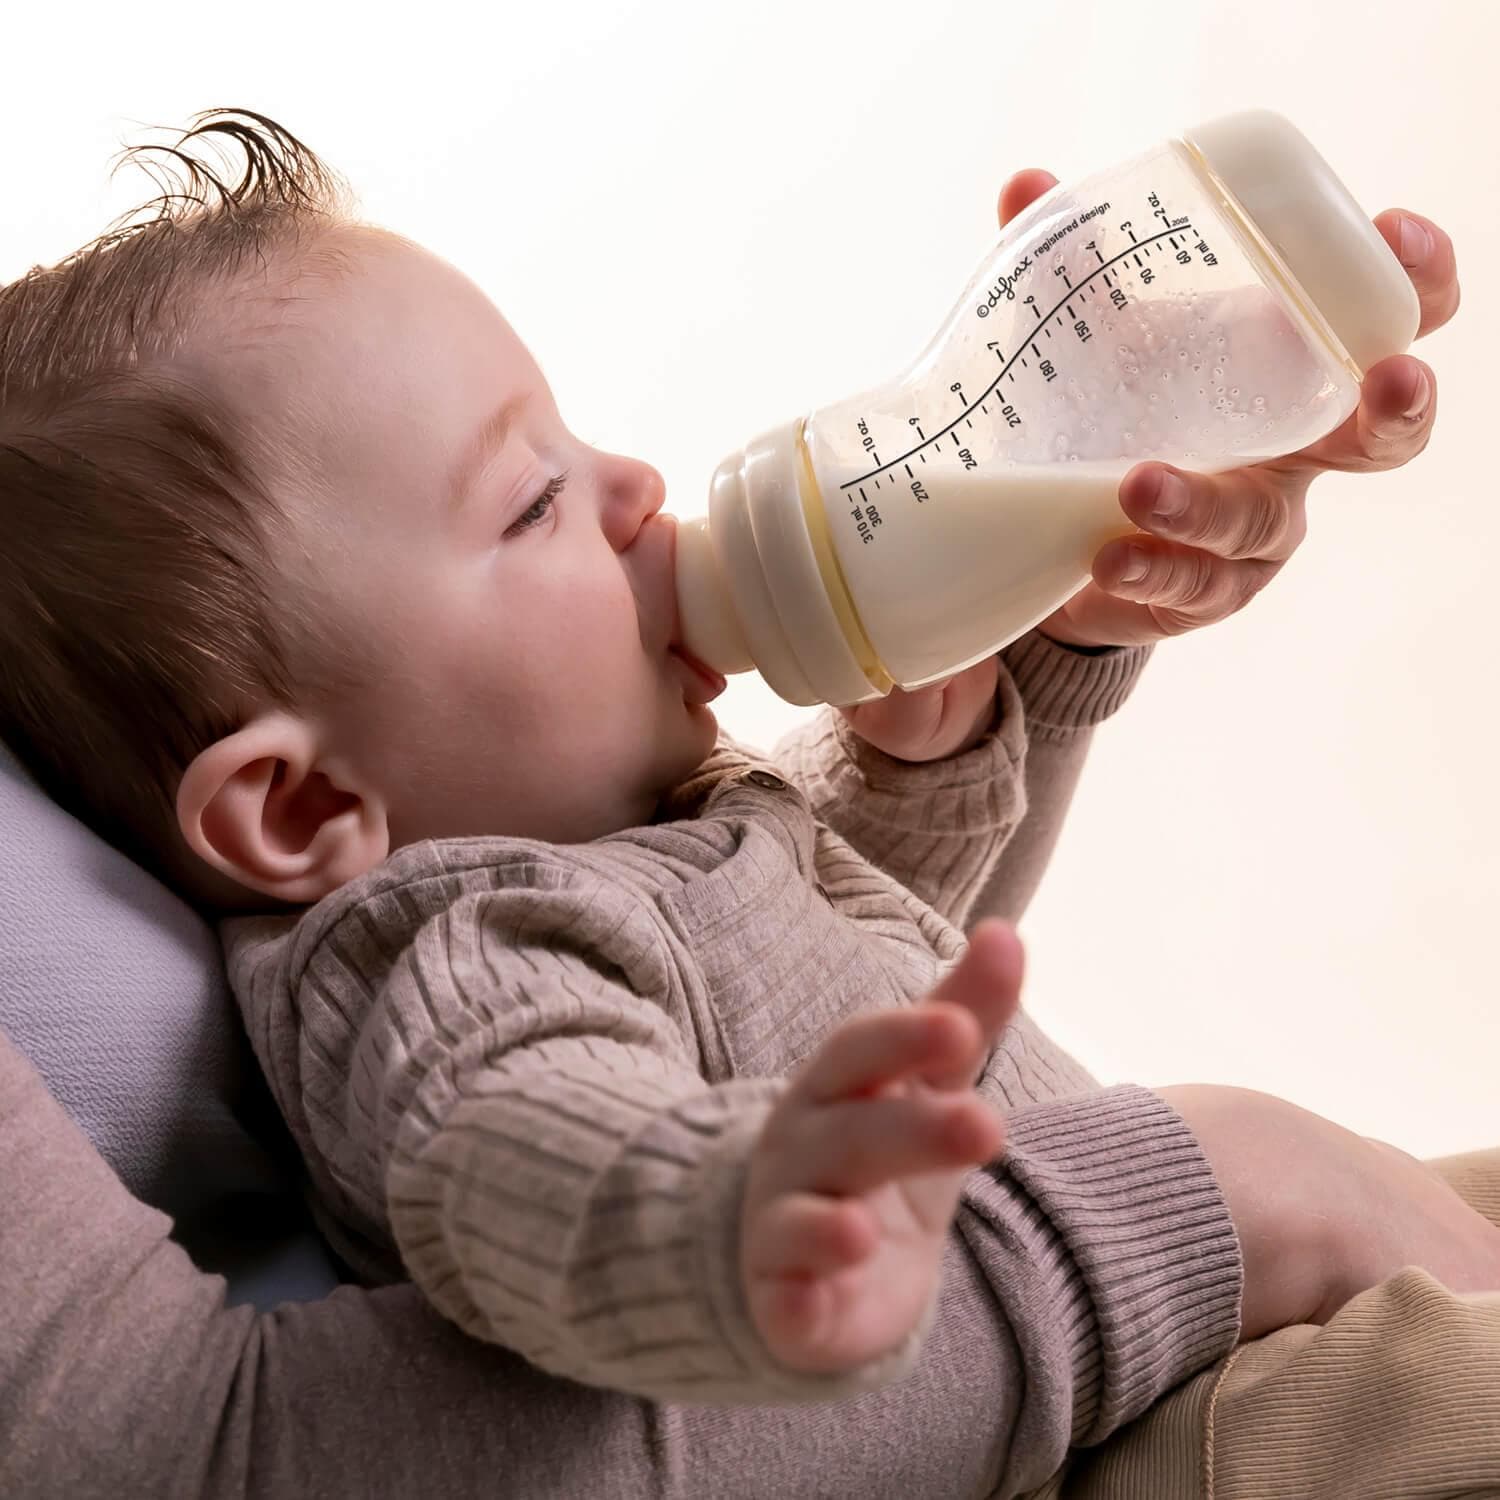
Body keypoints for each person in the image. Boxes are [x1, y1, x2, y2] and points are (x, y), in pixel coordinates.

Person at [1, 107, 1493, 1498]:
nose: (636, 485)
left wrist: (953, 734)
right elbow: (525, 1150)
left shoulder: (638, 836)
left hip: (1173, 1338)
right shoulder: (454, 946)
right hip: (1137, 1434)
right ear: (303, 804)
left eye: (579, 442)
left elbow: (835, 965)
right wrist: (730, 1221)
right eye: (533, 502)